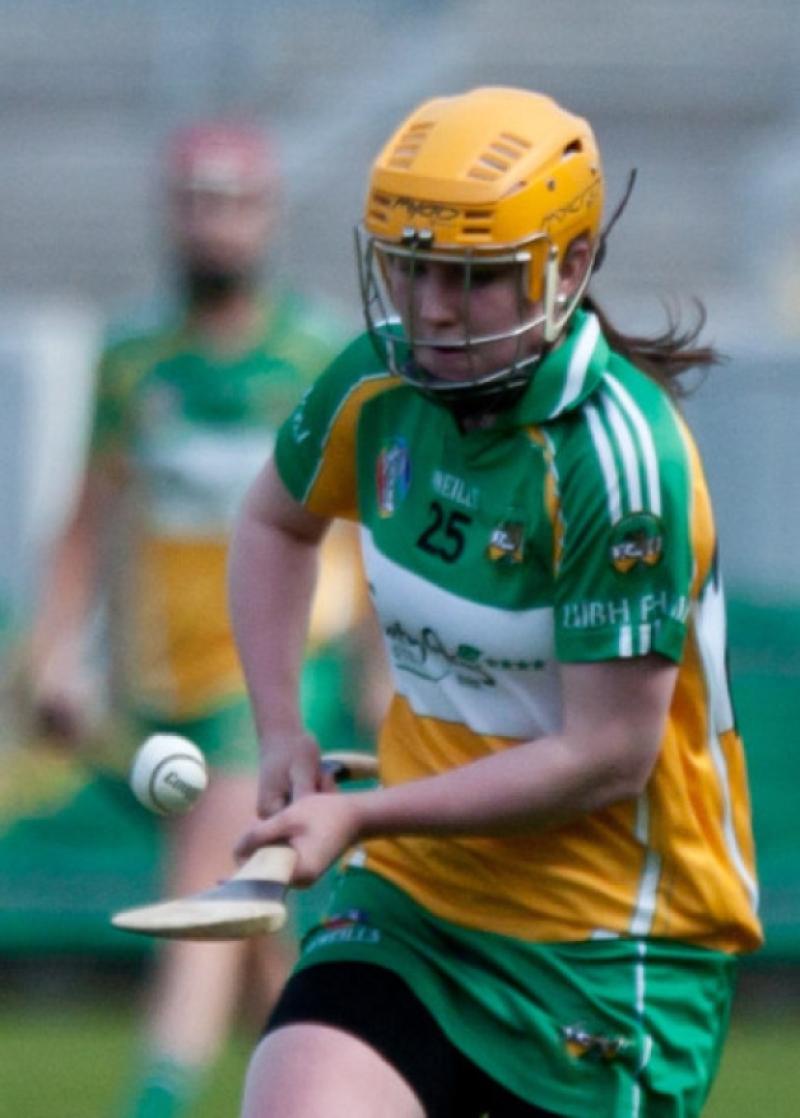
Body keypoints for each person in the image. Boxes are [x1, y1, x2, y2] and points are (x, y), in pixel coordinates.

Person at [227, 87, 763, 1118]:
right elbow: (271, 522)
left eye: (472, 278)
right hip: (415, 901)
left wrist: (362, 810)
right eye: (411, 265)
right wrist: (281, 727)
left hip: (606, 947)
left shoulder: (622, 462)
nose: (429, 307)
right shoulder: (375, 385)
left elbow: (605, 755)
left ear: (564, 269)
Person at [25, 121, 375, 1118]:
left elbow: (365, 527)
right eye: (194, 200)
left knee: (214, 872)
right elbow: (86, 525)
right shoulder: (132, 359)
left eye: (234, 201)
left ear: (267, 216)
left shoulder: (313, 355)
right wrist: (51, 655)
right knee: (262, 930)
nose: (212, 224)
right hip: (161, 684)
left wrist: (375, 663)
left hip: (278, 675)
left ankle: (156, 1099)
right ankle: (336, 1085)